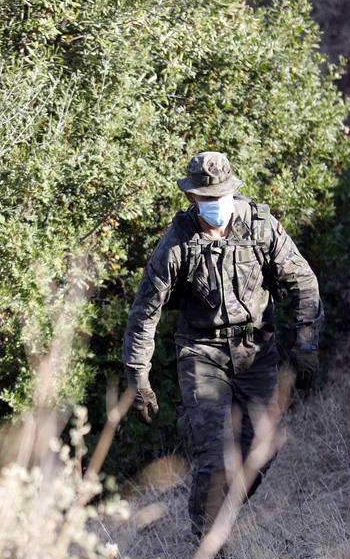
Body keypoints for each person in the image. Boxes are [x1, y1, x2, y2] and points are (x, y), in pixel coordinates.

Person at [121, 151, 323, 537]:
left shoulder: (261, 227)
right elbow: (146, 309)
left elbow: (304, 282)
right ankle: (206, 539)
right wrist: (138, 378)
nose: (215, 205)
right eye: (206, 198)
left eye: (221, 196)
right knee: (214, 453)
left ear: (232, 192)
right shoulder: (177, 243)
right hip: (202, 354)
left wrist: (306, 345)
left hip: (256, 352)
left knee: (261, 451)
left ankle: (217, 516)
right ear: (192, 198)